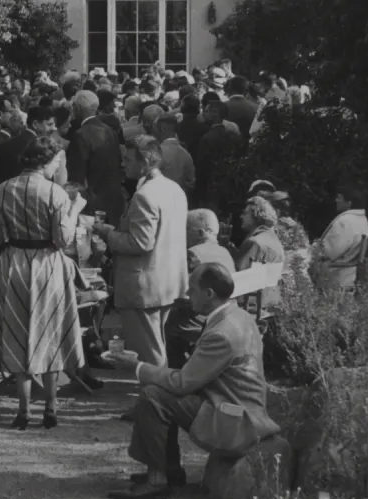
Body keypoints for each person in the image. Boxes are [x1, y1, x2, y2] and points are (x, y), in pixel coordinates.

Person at [105, 263, 280, 499]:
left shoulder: (223, 332)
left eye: (192, 289)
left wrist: (136, 367)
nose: (187, 295)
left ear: (209, 294)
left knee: (154, 396)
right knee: (158, 392)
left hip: (235, 419)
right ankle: (169, 471)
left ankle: (158, 480)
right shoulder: (238, 316)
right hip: (238, 409)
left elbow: (182, 383)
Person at [0, 136, 84, 430]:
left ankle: (23, 410)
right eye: (57, 161)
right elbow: (62, 240)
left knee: (17, 331)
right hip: (46, 264)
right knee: (50, 331)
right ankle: (51, 408)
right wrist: (74, 213)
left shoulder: (2, 190)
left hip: (13, 262)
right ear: (47, 162)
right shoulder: (55, 194)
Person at [93, 136, 188, 369]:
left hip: (144, 286)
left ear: (144, 162)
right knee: (156, 346)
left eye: (127, 159)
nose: (124, 164)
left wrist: (108, 234)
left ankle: (155, 400)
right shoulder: (174, 188)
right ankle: (157, 397)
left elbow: (140, 243)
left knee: (149, 352)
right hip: (168, 281)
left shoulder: (146, 195)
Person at [165, 209, 236, 369]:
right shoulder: (225, 252)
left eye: (186, 229)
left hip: (200, 318)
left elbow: (181, 289)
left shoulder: (193, 253)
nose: (183, 234)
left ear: (200, 232)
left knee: (168, 322)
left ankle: (175, 372)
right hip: (223, 313)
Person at [65, 91, 126, 226]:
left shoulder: (80, 135)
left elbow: (76, 177)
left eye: (73, 106)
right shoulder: (109, 131)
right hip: (113, 199)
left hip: (91, 203)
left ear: (78, 108)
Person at [312, 181, 368, 290]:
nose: (336, 200)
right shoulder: (362, 219)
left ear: (349, 203)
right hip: (350, 274)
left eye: (339, 198)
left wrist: (310, 252)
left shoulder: (345, 221)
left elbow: (328, 252)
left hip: (336, 276)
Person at [235, 195, 286, 310]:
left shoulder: (255, 243)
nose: (241, 216)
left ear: (257, 215)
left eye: (245, 213)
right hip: (270, 306)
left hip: (250, 309)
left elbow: (239, 282)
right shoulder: (275, 240)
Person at [155, 116, 195, 198]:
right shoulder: (186, 154)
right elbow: (191, 182)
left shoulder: (157, 152)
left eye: (155, 128)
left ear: (162, 129)